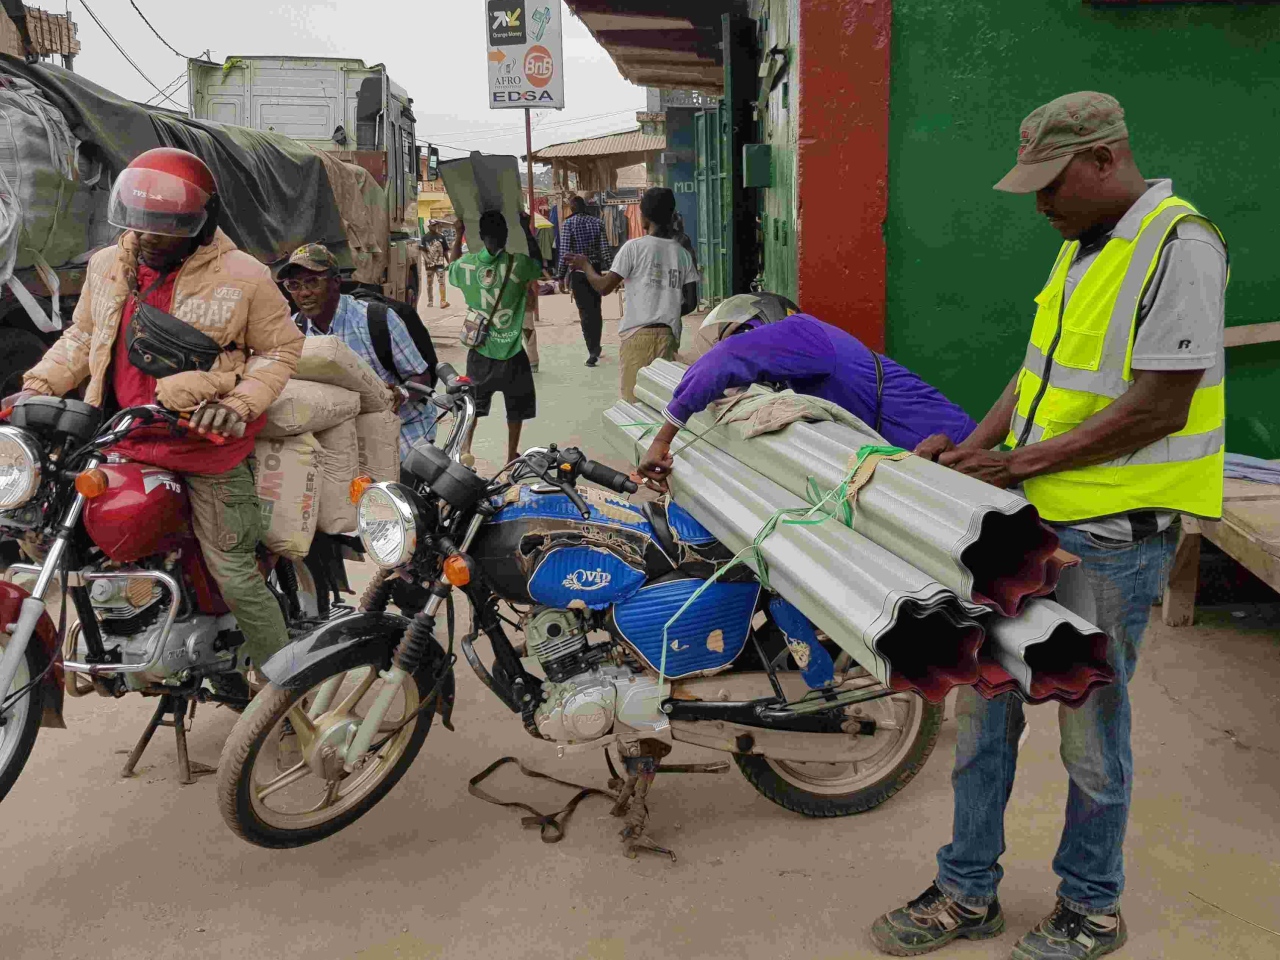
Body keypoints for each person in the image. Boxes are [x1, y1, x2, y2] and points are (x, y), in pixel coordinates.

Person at [870, 92, 1226, 960]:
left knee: (1089, 734)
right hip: (1027, 526)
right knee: (984, 719)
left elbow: (1162, 405)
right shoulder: (1081, 248)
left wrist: (1017, 464)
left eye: (1051, 183)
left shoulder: (1179, 246)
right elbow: (1032, 377)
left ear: (1105, 159)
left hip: (1109, 541)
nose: (1039, 204)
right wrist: (974, 449)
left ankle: (1091, 908)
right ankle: (967, 891)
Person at [8, 148, 303, 674]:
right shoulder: (107, 265)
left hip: (205, 447)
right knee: (66, 536)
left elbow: (279, 350)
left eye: (164, 227)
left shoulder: (245, 276)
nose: (147, 236)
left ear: (201, 223)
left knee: (233, 572)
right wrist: (36, 386)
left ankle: (283, 683)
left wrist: (237, 404)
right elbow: (83, 335)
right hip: (122, 436)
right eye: (139, 223)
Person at [637, 292, 977, 485]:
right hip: (931, 458)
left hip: (958, 453)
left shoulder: (800, 332)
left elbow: (725, 359)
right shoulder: (809, 356)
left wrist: (663, 439)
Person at [281, 243, 437, 463]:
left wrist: (400, 394)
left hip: (402, 429)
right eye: (294, 285)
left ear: (336, 282)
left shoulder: (376, 319)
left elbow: (422, 377)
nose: (304, 293)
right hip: (344, 439)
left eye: (313, 282)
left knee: (395, 483)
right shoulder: (294, 330)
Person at [568, 187, 699, 403]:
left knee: (634, 403)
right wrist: (666, 310)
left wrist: (585, 265)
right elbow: (692, 302)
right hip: (668, 335)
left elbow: (603, 287)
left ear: (643, 217)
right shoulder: (682, 254)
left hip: (637, 336)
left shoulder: (633, 248)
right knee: (663, 402)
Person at [448, 212, 543, 463]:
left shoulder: (467, 265)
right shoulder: (519, 264)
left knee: (472, 406)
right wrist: (525, 228)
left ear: (480, 236)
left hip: (480, 351)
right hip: (512, 350)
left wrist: (458, 235)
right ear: (506, 235)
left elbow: (451, 267)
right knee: (516, 408)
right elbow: (538, 263)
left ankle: (466, 451)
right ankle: (511, 456)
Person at [556, 195, 610, 366]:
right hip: (595, 271)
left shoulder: (568, 224)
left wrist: (560, 276)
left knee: (585, 312)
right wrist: (612, 271)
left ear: (572, 208)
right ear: (585, 207)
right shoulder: (598, 223)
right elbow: (605, 251)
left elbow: (565, 253)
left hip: (578, 273)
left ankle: (592, 351)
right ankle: (596, 346)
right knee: (596, 309)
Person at [421, 222, 450, 309]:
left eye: (436, 225)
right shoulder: (425, 237)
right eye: (433, 225)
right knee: (429, 283)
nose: (435, 227)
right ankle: (430, 301)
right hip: (429, 265)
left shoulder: (441, 237)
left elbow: (445, 251)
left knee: (442, 282)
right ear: (429, 226)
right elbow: (422, 250)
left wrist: (449, 262)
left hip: (440, 265)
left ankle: (443, 301)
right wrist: (427, 259)